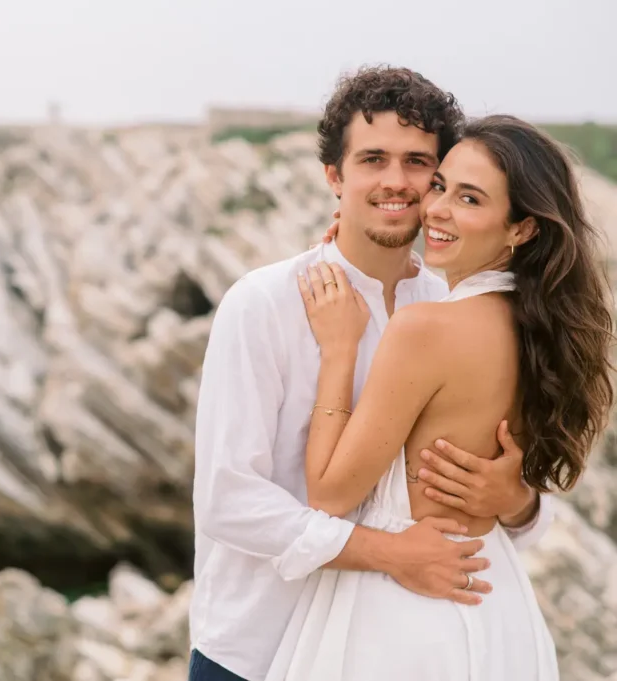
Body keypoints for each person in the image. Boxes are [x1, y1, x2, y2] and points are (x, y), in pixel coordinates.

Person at [189, 66, 556, 681]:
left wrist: (517, 503)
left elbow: (508, 492)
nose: (397, 182)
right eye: (373, 159)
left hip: (387, 647)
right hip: (256, 646)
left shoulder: (451, 307)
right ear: (335, 175)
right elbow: (228, 499)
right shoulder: (264, 301)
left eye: (419, 164)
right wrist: (389, 554)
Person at [263, 114, 614, 680]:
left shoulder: (427, 328)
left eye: (470, 199)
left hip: (407, 614)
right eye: (442, 186)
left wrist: (340, 351)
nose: (437, 210)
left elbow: (328, 493)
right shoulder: (539, 329)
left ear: (521, 229)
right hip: (495, 601)